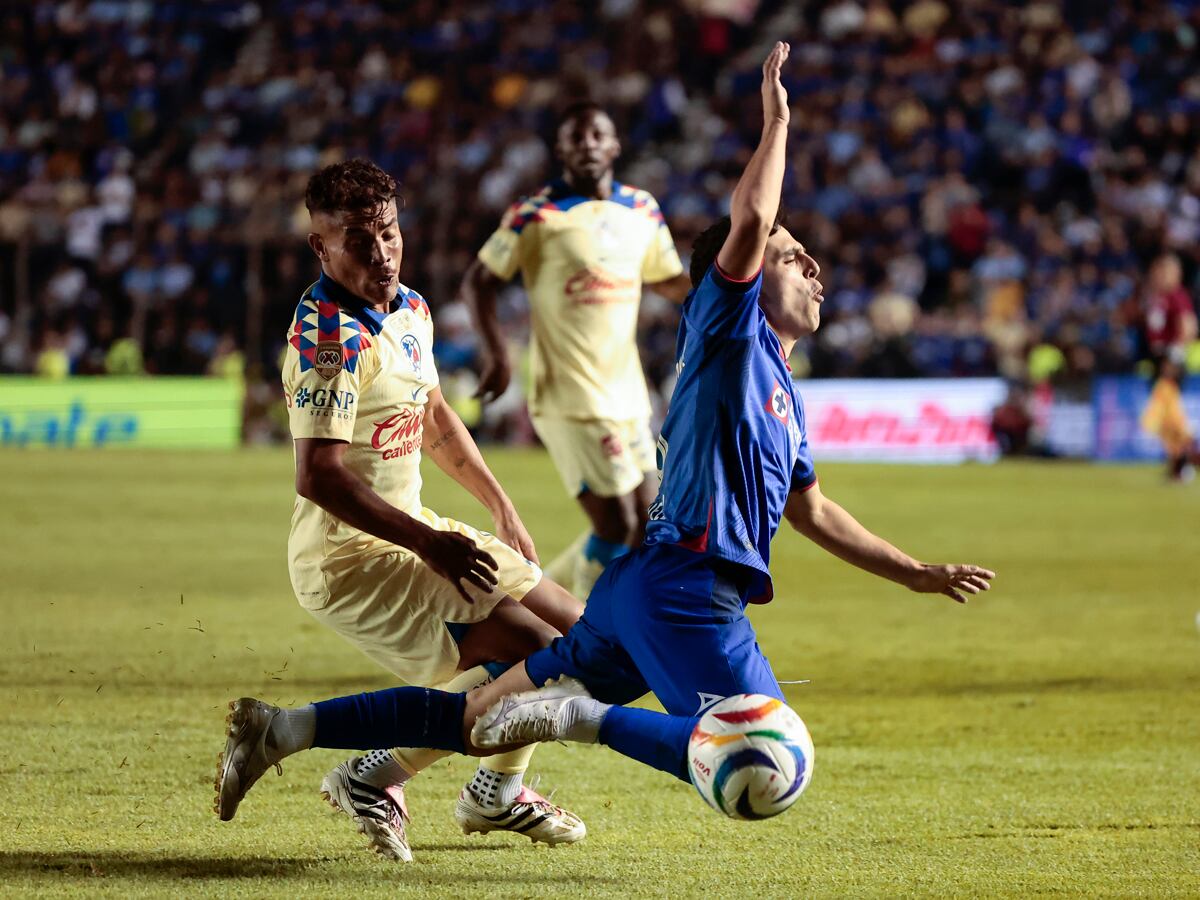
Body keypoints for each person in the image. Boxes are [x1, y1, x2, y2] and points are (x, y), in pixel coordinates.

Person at [216, 44, 994, 818]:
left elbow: (814, 511)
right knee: (763, 746)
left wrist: (915, 572)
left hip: (633, 583)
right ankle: (567, 727)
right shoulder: (730, 329)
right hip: (675, 586)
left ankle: (317, 740)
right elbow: (752, 218)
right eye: (792, 259)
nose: (813, 267)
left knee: (494, 701)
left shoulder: (779, 390)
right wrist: (778, 122)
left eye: (388, 231)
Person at [215, 159, 589, 861]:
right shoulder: (328, 338)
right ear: (320, 249)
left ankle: (493, 792)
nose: (380, 252)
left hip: (418, 531)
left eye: (388, 232)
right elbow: (318, 476)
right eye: (358, 240)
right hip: (350, 558)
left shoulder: (409, 308)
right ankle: (376, 774)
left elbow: (434, 415)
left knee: (583, 639)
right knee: (536, 654)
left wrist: (500, 508)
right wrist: (428, 542)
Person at [459, 101, 692, 600]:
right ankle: (584, 629)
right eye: (576, 136)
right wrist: (497, 353)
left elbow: (670, 281)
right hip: (568, 392)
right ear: (561, 148)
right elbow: (478, 281)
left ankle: (539, 601)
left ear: (615, 145)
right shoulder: (535, 213)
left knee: (646, 524)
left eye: (597, 135)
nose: (587, 144)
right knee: (619, 523)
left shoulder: (642, 209)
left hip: (628, 393)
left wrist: (726, 292)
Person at [1141, 354, 1200, 482]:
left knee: (1181, 447)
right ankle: (1176, 473)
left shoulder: (1171, 384)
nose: (1167, 369)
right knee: (1174, 449)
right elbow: (1157, 405)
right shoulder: (1163, 384)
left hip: (1175, 421)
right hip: (1168, 421)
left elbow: (1166, 405)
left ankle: (1181, 471)